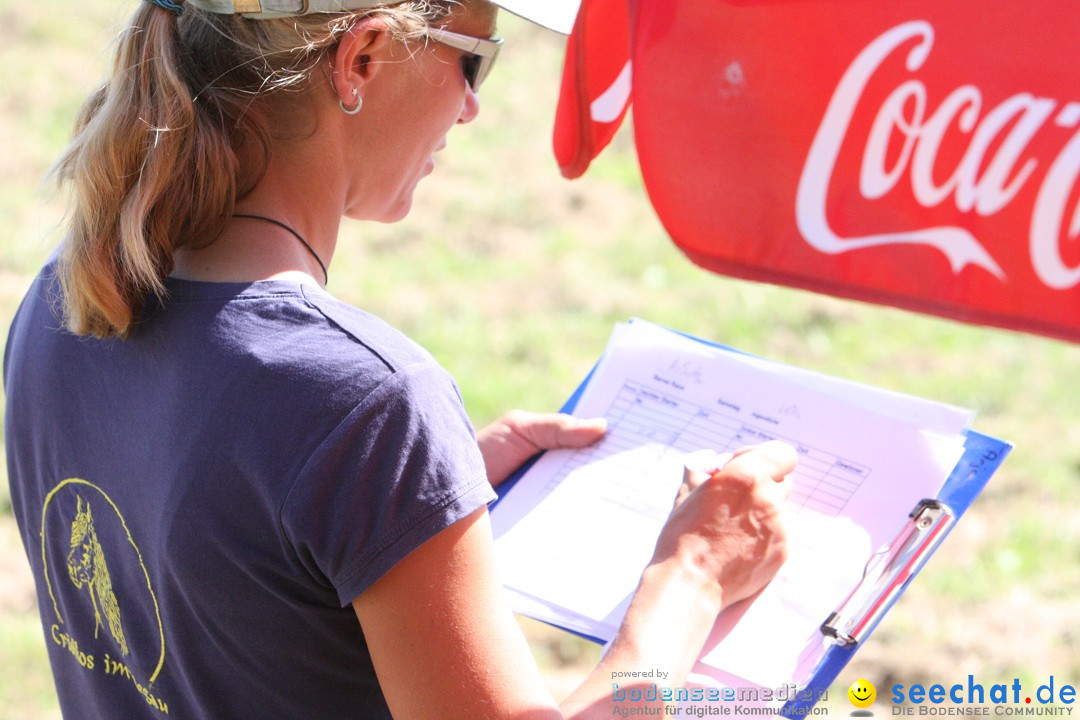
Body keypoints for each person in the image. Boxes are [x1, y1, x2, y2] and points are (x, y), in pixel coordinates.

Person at [3, 0, 797, 717]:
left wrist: (416, 498)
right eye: (473, 60)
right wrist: (691, 578)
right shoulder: (367, 402)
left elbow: (225, 560)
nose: (474, 108)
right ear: (363, 58)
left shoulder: (64, 297)